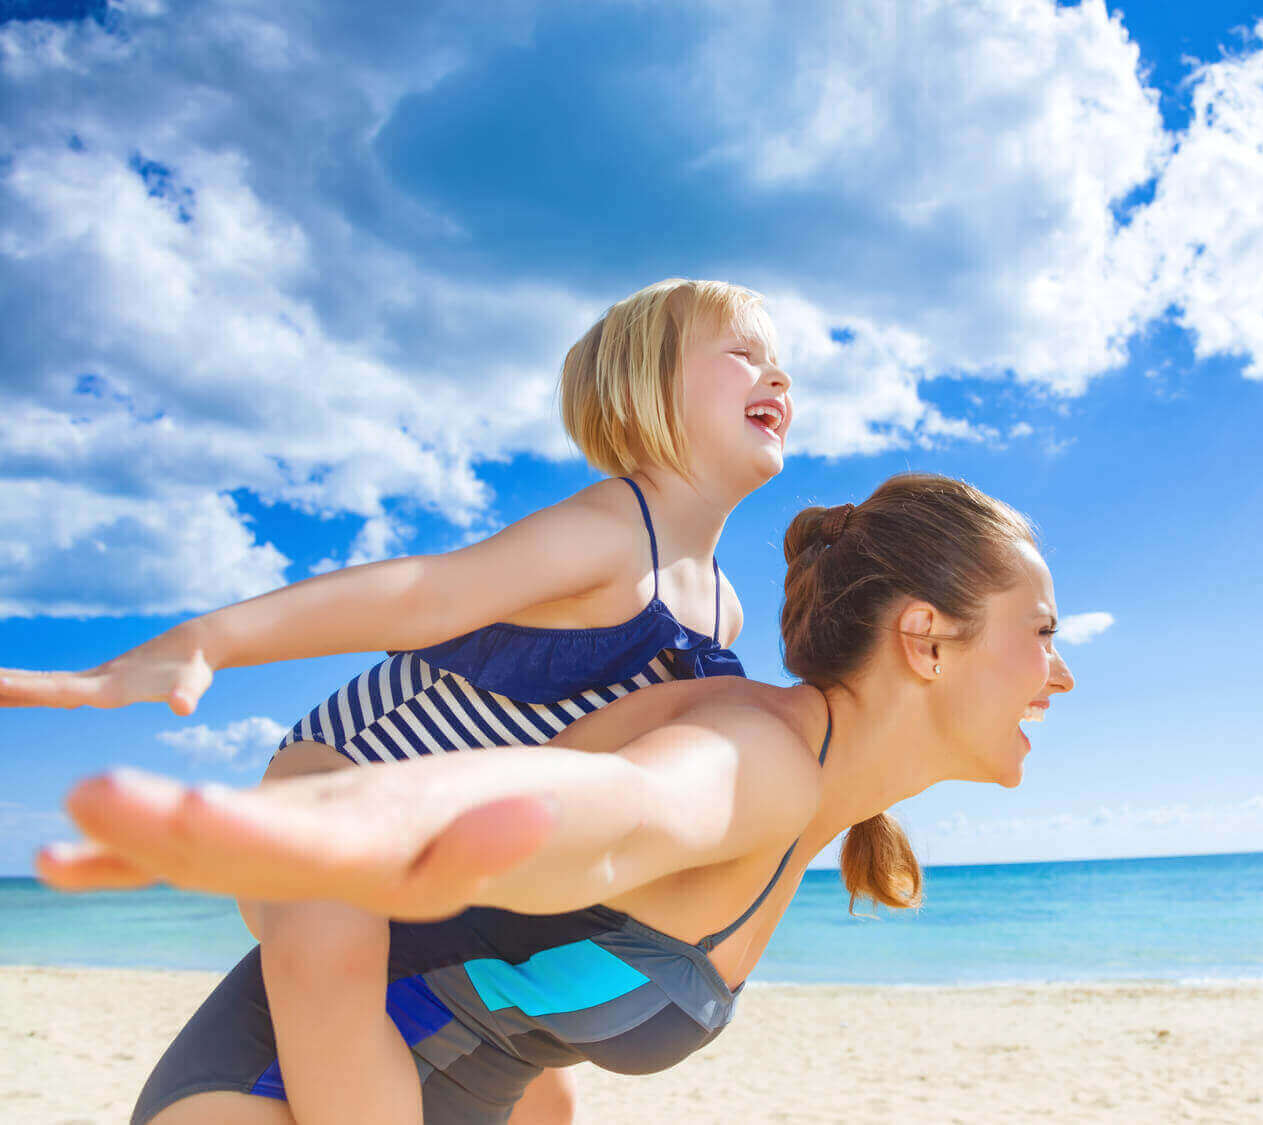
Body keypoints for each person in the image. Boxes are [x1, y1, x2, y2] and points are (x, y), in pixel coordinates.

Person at [40, 473, 1077, 1125]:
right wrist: (342, 823)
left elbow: (528, 1041)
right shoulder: (757, 755)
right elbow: (612, 807)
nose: (1058, 672)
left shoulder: (813, 795)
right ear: (925, 639)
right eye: (1039, 631)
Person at [6, 278, 794, 1125]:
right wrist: (211, 639)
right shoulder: (612, 529)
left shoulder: (722, 606)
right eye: (744, 355)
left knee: (536, 1082)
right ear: (646, 392)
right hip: (343, 773)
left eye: (782, 367)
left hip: (448, 849)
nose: (777, 379)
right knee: (327, 915)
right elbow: (425, 596)